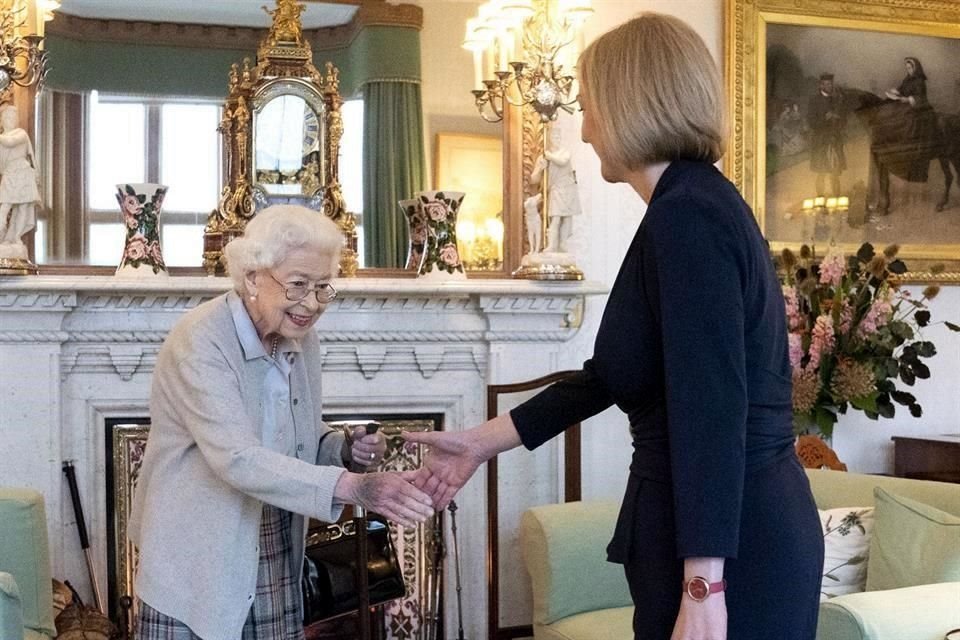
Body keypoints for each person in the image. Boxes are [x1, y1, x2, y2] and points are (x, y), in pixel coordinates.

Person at [405, 13, 823, 640]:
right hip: (714, 534)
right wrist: (480, 442)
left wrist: (704, 586)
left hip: (735, 548)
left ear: (633, 103)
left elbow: (711, 406)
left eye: (591, 103)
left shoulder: (688, 217)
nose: (586, 125)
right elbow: (613, 376)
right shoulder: (686, 207)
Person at [129, 205, 434, 640]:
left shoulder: (299, 338)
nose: (311, 303)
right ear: (252, 276)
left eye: (322, 287)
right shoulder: (200, 341)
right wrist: (351, 486)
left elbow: (295, 433)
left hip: (272, 537)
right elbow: (237, 457)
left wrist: (344, 449)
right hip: (198, 551)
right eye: (297, 285)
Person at [530, 125, 582, 253]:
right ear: (549, 139)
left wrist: (550, 157)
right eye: (554, 137)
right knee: (556, 218)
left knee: (567, 218)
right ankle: (552, 245)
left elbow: (563, 161)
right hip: (556, 190)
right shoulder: (543, 157)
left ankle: (563, 243)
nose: (557, 139)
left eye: (559, 137)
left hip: (568, 189)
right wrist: (540, 169)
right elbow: (533, 180)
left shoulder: (564, 153)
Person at [884, 56, 937, 182]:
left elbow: (921, 97)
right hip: (908, 107)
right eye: (906, 68)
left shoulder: (919, 80)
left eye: (909, 68)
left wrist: (907, 99)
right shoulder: (908, 79)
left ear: (915, 68)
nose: (908, 70)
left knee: (911, 124)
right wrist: (894, 92)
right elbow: (902, 89)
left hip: (920, 110)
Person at [0, 104, 40, 247]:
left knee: (23, 206)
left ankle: (16, 237)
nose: (11, 119)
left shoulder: (20, 133)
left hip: (23, 173)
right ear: (2, 119)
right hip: (9, 174)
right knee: (5, 206)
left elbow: (11, 142)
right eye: (8, 116)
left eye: (13, 117)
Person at [807, 73, 847, 196]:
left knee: (835, 172)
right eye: (826, 84)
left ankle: (836, 198)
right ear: (821, 85)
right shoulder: (814, 101)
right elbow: (811, 122)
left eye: (830, 84)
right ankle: (820, 199)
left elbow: (844, 121)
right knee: (821, 172)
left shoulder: (837, 100)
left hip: (834, 140)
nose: (829, 86)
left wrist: (839, 119)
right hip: (820, 142)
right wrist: (825, 118)